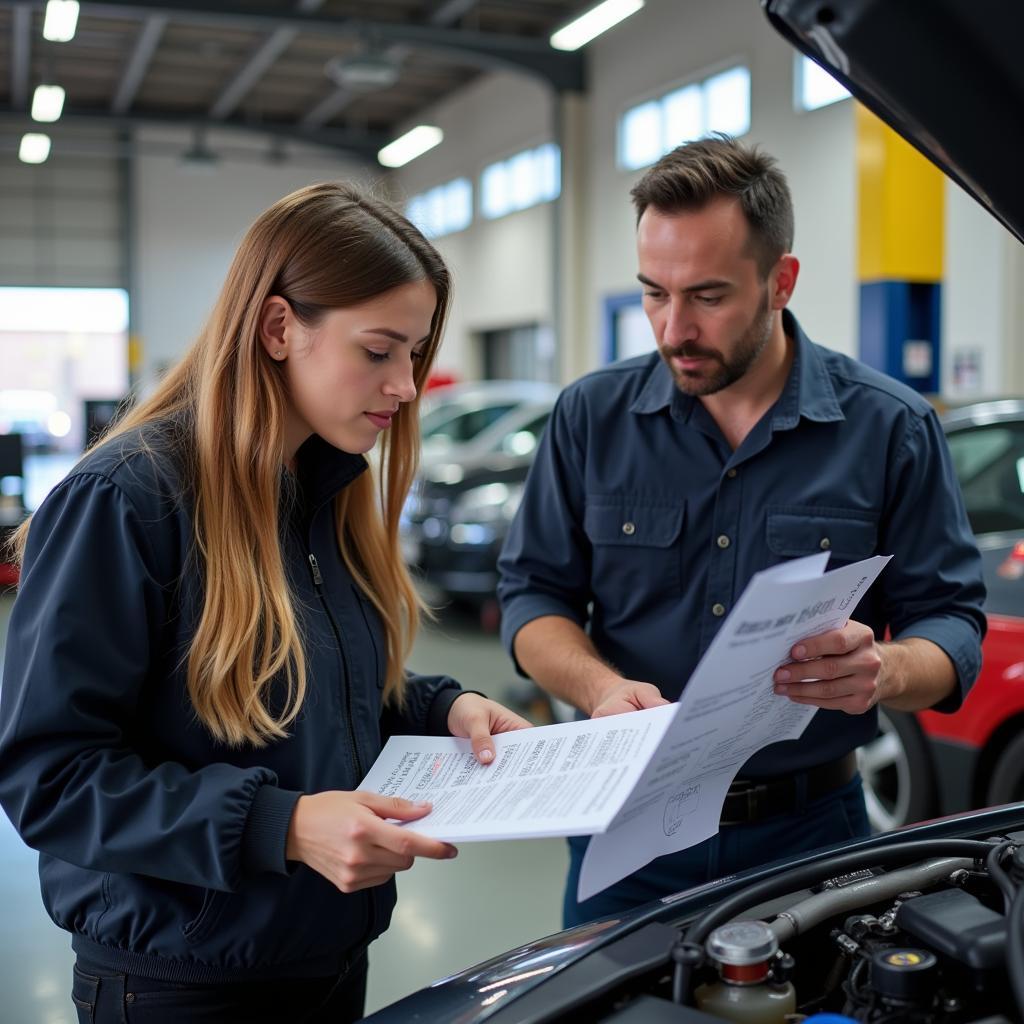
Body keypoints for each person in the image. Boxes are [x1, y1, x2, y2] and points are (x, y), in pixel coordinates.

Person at [0, 182, 530, 1024]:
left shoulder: (319, 491)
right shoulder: (128, 499)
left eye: (415, 355)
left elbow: (316, 688)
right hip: (180, 983)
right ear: (280, 328)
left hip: (322, 955)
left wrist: (446, 704)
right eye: (379, 351)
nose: (403, 387)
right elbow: (50, 777)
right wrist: (279, 827)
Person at [497, 136, 986, 926]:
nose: (671, 328)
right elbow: (530, 598)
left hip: (813, 838)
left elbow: (953, 624)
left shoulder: (889, 428)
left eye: (708, 296)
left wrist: (885, 669)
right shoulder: (591, 417)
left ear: (780, 281)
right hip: (623, 833)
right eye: (654, 292)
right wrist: (597, 686)